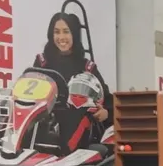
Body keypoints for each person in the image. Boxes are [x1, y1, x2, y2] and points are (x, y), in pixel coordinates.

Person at [34, 11, 113, 157]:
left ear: (74, 35)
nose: (61, 37)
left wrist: (106, 113)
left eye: (66, 32)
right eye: (57, 32)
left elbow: (108, 100)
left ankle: (66, 155)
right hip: (44, 121)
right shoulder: (42, 62)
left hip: (77, 125)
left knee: (78, 111)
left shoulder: (87, 67)